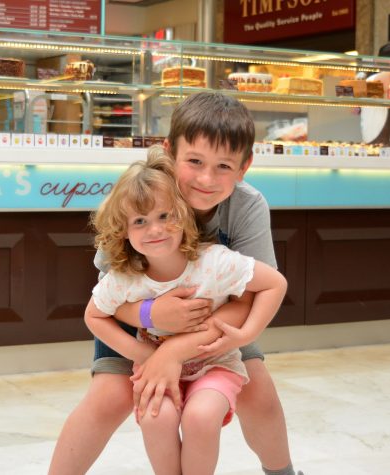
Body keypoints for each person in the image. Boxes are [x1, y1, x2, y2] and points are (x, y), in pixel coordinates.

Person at [49, 92, 302, 475]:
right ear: (170, 152)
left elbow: (253, 295)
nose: (206, 179)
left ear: (244, 167)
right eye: (194, 161)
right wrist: (152, 314)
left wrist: (177, 350)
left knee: (259, 392)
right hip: (134, 323)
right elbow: (109, 290)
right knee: (108, 398)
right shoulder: (141, 194)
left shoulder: (247, 207)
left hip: (216, 323)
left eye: (223, 166)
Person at [84, 145, 287, 474]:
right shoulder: (125, 277)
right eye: (140, 221)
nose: (155, 229)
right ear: (124, 229)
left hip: (214, 363)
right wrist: (144, 353)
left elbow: (272, 283)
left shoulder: (214, 262)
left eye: (165, 216)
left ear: (182, 215)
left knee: (202, 417)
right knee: (153, 418)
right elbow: (95, 314)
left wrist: (248, 333)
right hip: (157, 370)